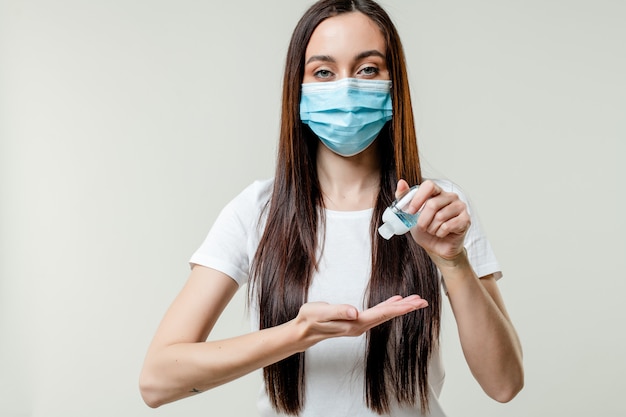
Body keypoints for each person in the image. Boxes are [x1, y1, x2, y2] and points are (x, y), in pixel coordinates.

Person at [139, 1, 524, 416]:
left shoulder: (435, 207)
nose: (347, 89)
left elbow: (504, 384)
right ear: (298, 91)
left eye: (368, 69)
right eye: (324, 72)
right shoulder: (257, 211)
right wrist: (299, 333)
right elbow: (158, 382)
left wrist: (453, 261)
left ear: (394, 85)